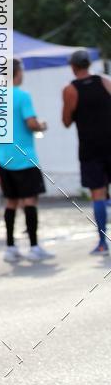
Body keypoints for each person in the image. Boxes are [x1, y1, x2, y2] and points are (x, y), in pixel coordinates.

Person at [0, 59, 52, 263]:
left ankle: (10, 247)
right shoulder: (23, 95)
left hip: (4, 157)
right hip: (25, 157)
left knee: (10, 202)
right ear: (17, 72)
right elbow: (31, 123)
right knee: (30, 201)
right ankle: (34, 246)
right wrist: (42, 125)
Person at [62, 49, 111, 254]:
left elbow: (66, 121)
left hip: (90, 148)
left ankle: (103, 242)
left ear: (73, 67)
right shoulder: (105, 81)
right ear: (88, 64)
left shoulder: (70, 90)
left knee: (98, 194)